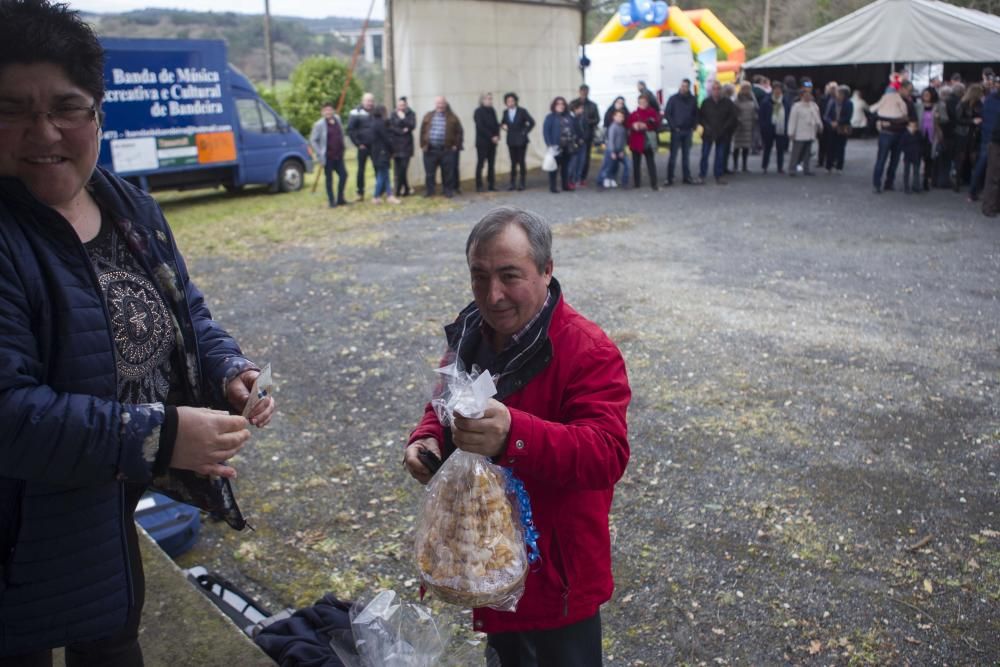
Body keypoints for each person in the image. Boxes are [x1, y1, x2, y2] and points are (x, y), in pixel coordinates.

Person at [0, 2, 276, 664]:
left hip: (105, 515)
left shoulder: (129, 208)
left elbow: (188, 316)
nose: (44, 131)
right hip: (19, 541)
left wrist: (225, 370)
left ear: (97, 111)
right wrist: (164, 436)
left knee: (112, 637)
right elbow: (9, 415)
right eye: (12, 108)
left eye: (67, 107)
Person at [403, 207, 630, 667]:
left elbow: (607, 454)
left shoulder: (588, 349)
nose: (493, 295)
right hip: (488, 562)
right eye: (479, 276)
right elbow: (445, 402)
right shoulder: (471, 333)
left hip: (557, 578)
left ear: (547, 270)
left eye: (510, 275)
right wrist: (428, 437)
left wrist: (515, 435)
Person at [419, 96, 462, 198]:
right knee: (429, 173)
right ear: (435, 104)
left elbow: (459, 132)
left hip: (446, 149)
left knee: (447, 172)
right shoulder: (428, 116)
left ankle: (447, 191)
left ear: (445, 104)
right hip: (430, 150)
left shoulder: (453, 117)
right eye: (438, 103)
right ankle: (430, 191)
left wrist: (456, 145)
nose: (440, 105)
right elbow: (422, 131)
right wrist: (422, 145)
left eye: (442, 103)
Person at [870, 84, 909, 193]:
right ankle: (889, 183)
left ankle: (877, 184)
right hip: (898, 133)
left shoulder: (885, 99)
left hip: (885, 133)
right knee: (894, 160)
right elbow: (905, 116)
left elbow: (872, 109)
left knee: (881, 159)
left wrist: (883, 119)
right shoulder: (900, 100)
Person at [698, 81, 738, 185]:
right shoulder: (706, 102)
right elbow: (701, 117)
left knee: (720, 156)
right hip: (708, 132)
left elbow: (733, 117)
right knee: (705, 155)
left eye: (718, 89)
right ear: (711, 90)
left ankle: (719, 175)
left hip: (722, 132)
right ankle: (702, 175)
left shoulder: (727, 103)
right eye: (714, 89)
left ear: (721, 90)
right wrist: (705, 126)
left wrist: (726, 128)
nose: (716, 91)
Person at [309, 101, 348, 208]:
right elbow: (313, 140)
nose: (328, 112)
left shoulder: (337, 119)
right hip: (328, 157)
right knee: (329, 179)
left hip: (339, 156)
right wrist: (319, 153)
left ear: (333, 110)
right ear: (322, 112)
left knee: (344, 175)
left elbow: (341, 133)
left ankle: (340, 198)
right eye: (326, 110)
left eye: (330, 110)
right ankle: (332, 201)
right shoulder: (319, 124)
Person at [969, 77, 1000, 203]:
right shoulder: (992, 100)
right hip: (995, 137)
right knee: (990, 167)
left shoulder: (988, 99)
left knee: (981, 165)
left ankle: (973, 192)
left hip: (987, 135)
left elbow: (983, 116)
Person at [664, 78, 698, 185]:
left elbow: (696, 113)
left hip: (688, 130)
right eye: (682, 86)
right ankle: (669, 178)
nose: (683, 88)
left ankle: (686, 177)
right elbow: (667, 114)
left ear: (689, 87)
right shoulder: (673, 99)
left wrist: (694, 125)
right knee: (673, 156)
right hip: (676, 130)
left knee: (686, 156)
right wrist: (673, 127)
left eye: (686, 86)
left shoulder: (692, 99)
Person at [500, 92, 534, 191]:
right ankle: (512, 183)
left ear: (515, 101)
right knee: (513, 162)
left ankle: (522, 182)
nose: (510, 103)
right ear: (506, 103)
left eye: (512, 101)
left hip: (521, 140)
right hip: (511, 140)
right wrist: (503, 126)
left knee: (521, 161)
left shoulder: (522, 111)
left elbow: (531, 122)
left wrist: (525, 132)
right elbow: (502, 122)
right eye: (508, 101)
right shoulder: (505, 112)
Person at [953, 83, 984, 192]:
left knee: (973, 159)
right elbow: (958, 119)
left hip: (973, 134)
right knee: (960, 159)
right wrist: (972, 121)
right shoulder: (963, 104)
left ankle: (974, 184)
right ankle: (957, 182)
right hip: (963, 134)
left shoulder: (979, 104)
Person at [347, 91, 376, 201]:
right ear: (363, 101)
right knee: (361, 170)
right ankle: (360, 193)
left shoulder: (376, 112)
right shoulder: (355, 112)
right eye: (368, 101)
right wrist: (358, 144)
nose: (370, 103)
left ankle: (379, 190)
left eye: (371, 101)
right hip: (363, 147)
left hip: (374, 146)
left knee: (377, 168)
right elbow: (351, 130)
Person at [787, 88, 822, 176]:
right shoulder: (796, 106)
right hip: (799, 133)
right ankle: (792, 169)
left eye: (809, 95)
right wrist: (791, 132)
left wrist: (820, 126)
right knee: (796, 153)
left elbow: (817, 117)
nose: (808, 96)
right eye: (806, 95)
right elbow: (792, 120)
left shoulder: (814, 106)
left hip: (810, 132)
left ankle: (806, 169)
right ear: (801, 96)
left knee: (807, 153)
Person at [570, 84, 601, 185]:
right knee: (574, 157)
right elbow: (568, 116)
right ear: (579, 91)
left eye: (586, 91)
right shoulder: (573, 103)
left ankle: (583, 178)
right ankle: (572, 177)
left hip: (587, 135)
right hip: (575, 135)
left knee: (585, 158)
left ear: (588, 92)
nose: (584, 92)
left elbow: (597, 119)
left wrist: (588, 121)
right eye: (582, 90)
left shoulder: (592, 105)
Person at [628, 94, 659, 190]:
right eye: (641, 102)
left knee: (650, 163)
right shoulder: (634, 113)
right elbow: (629, 124)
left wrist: (646, 126)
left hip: (647, 141)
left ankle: (654, 183)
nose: (642, 104)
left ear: (647, 102)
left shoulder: (652, 112)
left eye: (644, 102)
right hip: (636, 140)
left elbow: (657, 123)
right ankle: (637, 183)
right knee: (636, 163)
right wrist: (634, 125)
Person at [542, 96, 573, 194]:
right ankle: (553, 187)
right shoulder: (550, 117)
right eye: (558, 104)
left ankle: (565, 185)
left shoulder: (569, 117)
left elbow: (573, 129)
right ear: (554, 105)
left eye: (562, 104)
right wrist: (549, 145)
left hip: (567, 146)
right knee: (553, 167)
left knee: (565, 167)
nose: (561, 106)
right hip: (555, 146)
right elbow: (546, 132)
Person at [369, 105, 399, 204]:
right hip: (382, 152)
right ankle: (376, 196)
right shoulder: (381, 124)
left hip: (376, 152)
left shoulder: (373, 123)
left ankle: (389, 195)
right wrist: (393, 150)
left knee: (385, 174)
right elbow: (386, 139)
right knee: (382, 175)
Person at [387, 96, 416, 197]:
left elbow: (412, 126)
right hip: (395, 146)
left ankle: (398, 191)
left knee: (403, 168)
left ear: (406, 105)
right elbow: (390, 127)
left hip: (406, 145)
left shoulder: (410, 113)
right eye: (399, 105)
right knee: (398, 169)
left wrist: (403, 118)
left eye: (403, 105)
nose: (401, 107)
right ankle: (406, 189)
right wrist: (401, 131)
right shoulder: (393, 114)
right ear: (397, 105)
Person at [759, 80, 790, 174]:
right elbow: (762, 115)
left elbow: (788, 113)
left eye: (779, 89)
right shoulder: (766, 101)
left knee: (780, 148)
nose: (777, 91)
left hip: (781, 127)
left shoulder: (785, 101)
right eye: (776, 89)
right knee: (767, 148)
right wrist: (763, 126)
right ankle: (764, 166)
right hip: (769, 127)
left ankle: (780, 167)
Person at [474, 92, 500, 192]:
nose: (490, 101)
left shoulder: (492, 110)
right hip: (482, 142)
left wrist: (497, 135)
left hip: (492, 142)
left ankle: (491, 184)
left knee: (491, 164)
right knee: (481, 163)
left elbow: (495, 124)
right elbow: (480, 127)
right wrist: (491, 136)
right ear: (482, 100)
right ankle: (479, 185)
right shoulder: (478, 111)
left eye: (491, 99)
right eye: (487, 99)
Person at [824, 85, 853, 173]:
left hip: (842, 128)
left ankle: (839, 166)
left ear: (844, 95)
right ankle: (829, 166)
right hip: (832, 127)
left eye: (840, 93)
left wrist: (838, 122)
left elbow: (848, 116)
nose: (838, 95)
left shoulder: (849, 103)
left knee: (841, 147)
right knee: (830, 147)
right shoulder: (832, 102)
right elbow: (826, 115)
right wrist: (830, 122)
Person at [597, 108, 629, 189]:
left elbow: (623, 141)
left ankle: (617, 179)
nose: (619, 118)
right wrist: (612, 152)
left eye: (621, 116)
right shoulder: (613, 127)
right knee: (608, 166)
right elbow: (611, 140)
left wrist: (622, 151)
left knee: (620, 166)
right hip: (611, 150)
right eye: (618, 116)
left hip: (620, 150)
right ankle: (602, 180)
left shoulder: (622, 128)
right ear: (614, 117)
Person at [731, 82, 758, 172]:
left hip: (749, 125)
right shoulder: (737, 99)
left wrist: (755, 116)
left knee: (746, 147)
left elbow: (756, 109)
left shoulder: (752, 98)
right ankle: (735, 165)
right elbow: (734, 111)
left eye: (748, 88)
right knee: (737, 146)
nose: (746, 90)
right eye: (744, 88)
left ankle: (744, 165)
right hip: (739, 126)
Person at [982, 110, 1000, 216]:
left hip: (996, 142)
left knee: (994, 176)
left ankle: (993, 205)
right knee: (993, 177)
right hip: (997, 143)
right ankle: (989, 206)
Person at [566, 99, 587, 189]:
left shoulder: (581, 117)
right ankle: (569, 180)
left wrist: (583, 138)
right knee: (572, 164)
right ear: (575, 108)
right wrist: (578, 140)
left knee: (581, 162)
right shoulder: (569, 118)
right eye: (581, 108)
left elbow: (585, 129)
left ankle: (577, 180)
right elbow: (572, 131)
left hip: (582, 143)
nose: (582, 110)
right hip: (574, 144)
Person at [816, 81, 838, 167]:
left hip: (833, 124)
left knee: (832, 144)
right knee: (822, 144)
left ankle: (831, 161)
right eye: (831, 88)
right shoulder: (823, 98)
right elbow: (819, 110)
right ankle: (820, 161)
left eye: (834, 88)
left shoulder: (838, 99)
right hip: (823, 123)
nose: (832, 90)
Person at [900, 121, 924, 194]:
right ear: (908, 127)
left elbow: (922, 143)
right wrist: (905, 150)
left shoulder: (918, 135)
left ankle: (916, 186)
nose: (913, 128)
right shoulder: (905, 135)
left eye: (914, 126)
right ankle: (906, 186)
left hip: (916, 155)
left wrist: (921, 152)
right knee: (906, 172)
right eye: (911, 126)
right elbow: (901, 145)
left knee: (916, 171)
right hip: (908, 155)